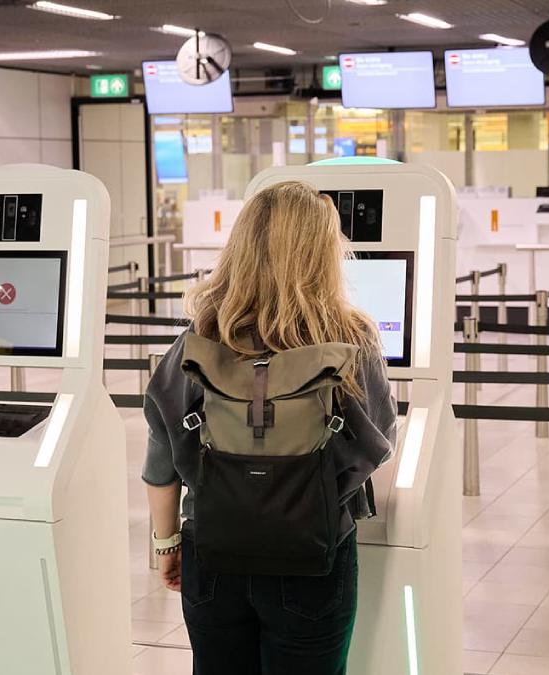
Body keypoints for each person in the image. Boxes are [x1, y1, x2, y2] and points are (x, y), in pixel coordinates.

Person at [142, 180, 397, 675]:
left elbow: (162, 452)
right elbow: (379, 440)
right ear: (322, 252)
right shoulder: (350, 338)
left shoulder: (201, 336)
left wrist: (168, 542)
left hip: (213, 550)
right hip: (312, 552)